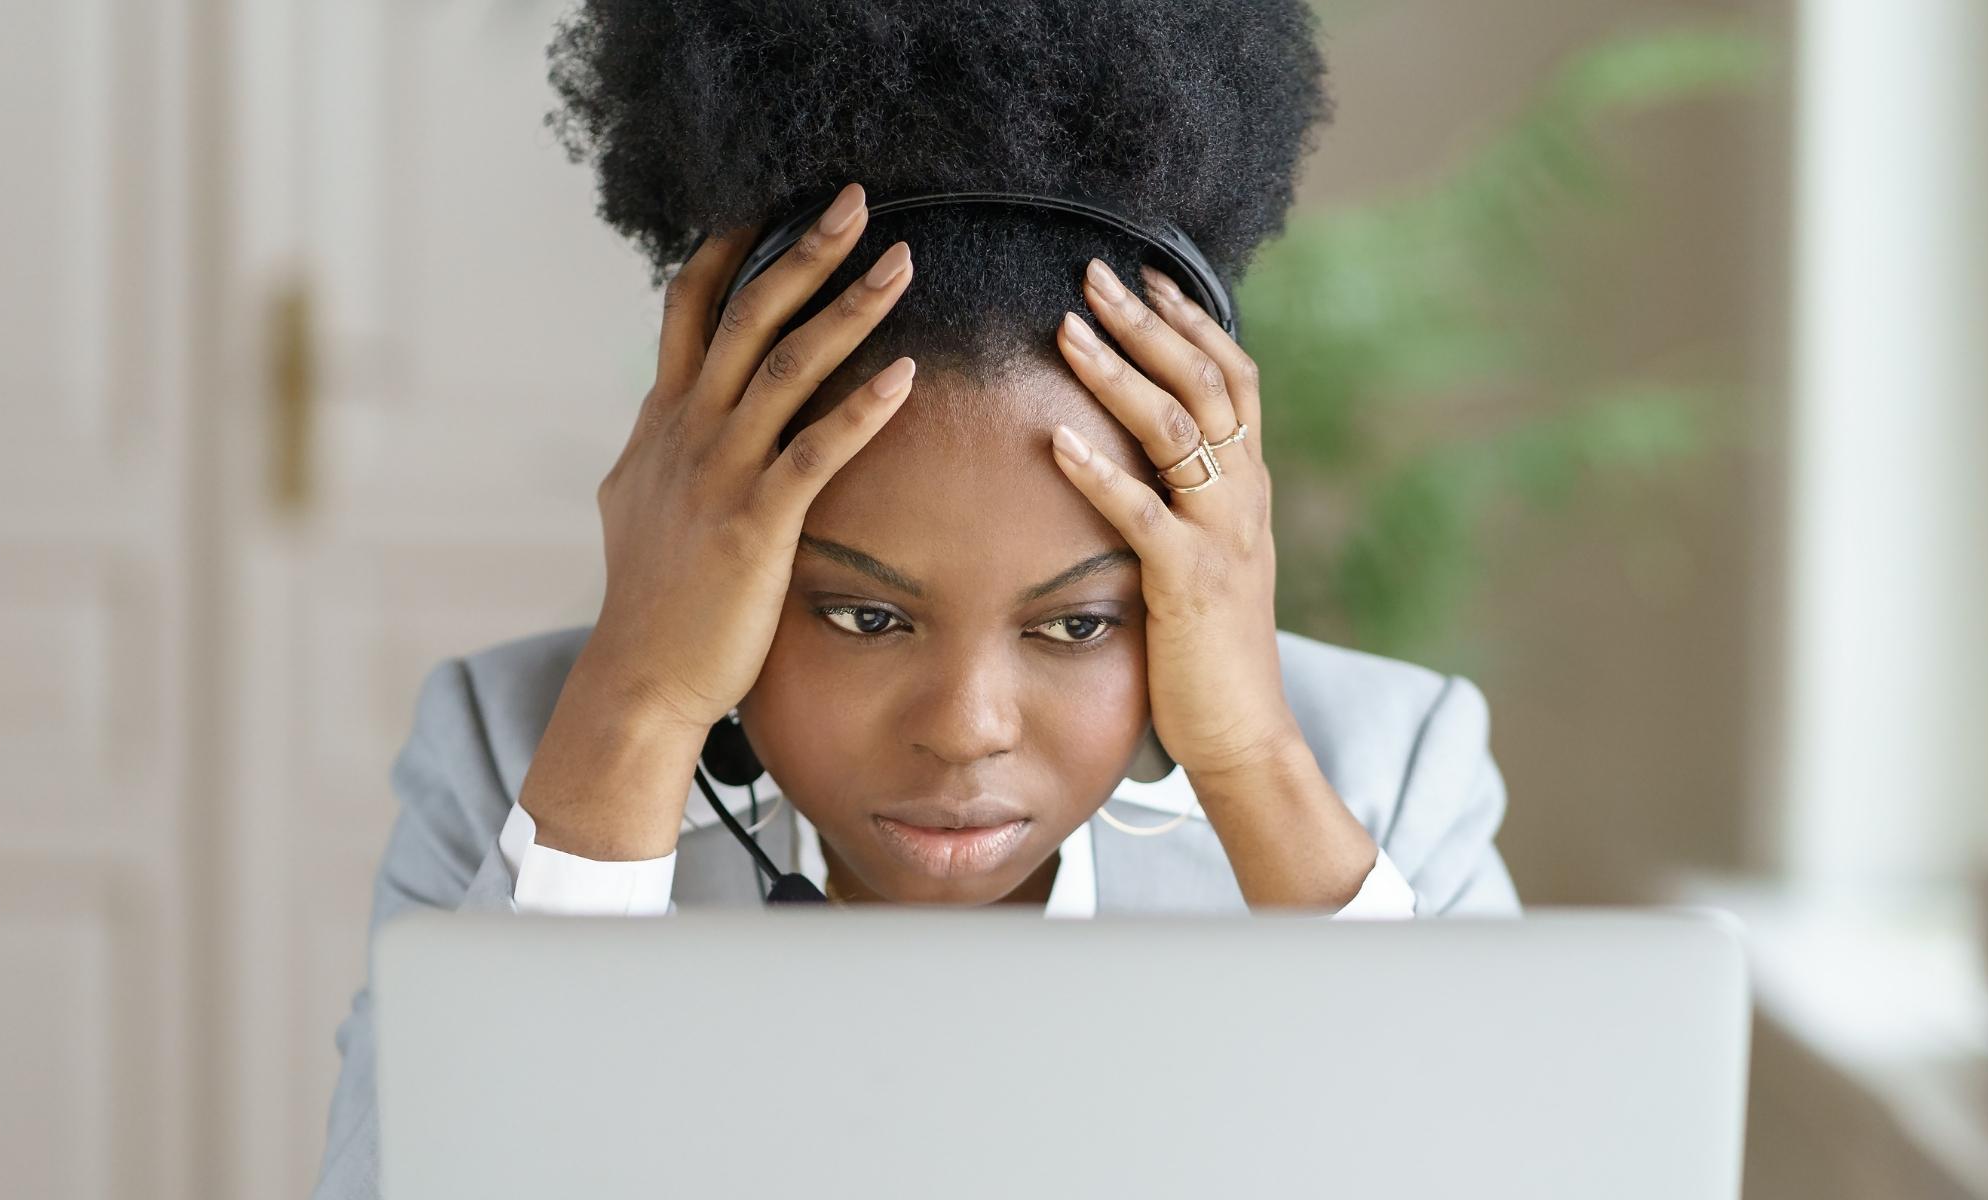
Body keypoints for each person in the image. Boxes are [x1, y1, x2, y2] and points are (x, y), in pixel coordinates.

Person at [311, 1, 1522, 1195]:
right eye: (863, 615)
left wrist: (1256, 764)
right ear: (712, 553)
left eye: (1076, 623)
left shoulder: (1389, 774)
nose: (965, 726)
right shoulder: (515, 753)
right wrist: (637, 702)